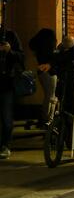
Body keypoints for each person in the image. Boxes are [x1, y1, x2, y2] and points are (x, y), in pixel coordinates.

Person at [0, 25, 25, 159]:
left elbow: (21, 57)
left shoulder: (9, 35)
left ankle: (5, 145)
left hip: (6, 83)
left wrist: (9, 51)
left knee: (6, 117)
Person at [29, 28, 58, 124]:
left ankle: (45, 117)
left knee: (47, 95)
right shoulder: (50, 50)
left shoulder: (39, 49)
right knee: (51, 96)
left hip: (41, 72)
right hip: (50, 72)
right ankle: (48, 119)